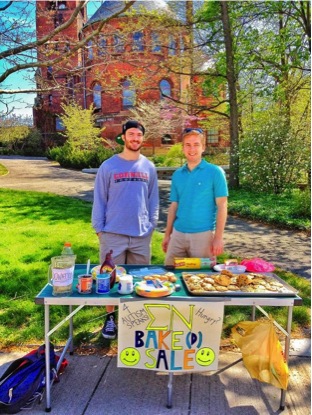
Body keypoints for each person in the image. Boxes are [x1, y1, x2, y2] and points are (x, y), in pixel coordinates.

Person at [92, 120, 159, 339]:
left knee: (140, 281)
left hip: (141, 235)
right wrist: (99, 229)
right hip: (113, 234)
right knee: (109, 280)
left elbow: (153, 199)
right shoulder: (109, 166)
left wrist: (151, 225)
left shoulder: (148, 167)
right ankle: (110, 319)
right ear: (123, 137)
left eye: (139, 135)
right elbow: (99, 199)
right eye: (131, 134)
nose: (135, 138)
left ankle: (136, 321)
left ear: (142, 138)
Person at [162, 128, 228, 265]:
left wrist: (218, 238)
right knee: (169, 274)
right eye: (188, 145)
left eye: (196, 144)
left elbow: (222, 205)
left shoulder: (215, 172)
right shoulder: (177, 175)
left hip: (203, 236)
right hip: (178, 235)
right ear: (183, 148)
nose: (192, 149)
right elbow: (174, 206)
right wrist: (167, 235)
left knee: (203, 279)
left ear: (203, 147)